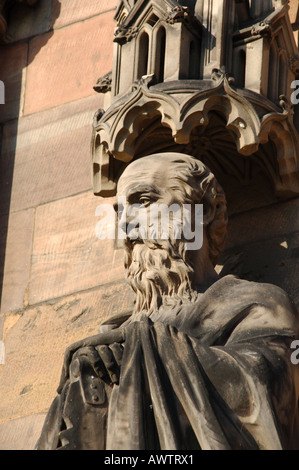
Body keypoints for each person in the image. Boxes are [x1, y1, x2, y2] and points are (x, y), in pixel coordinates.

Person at [36, 153, 299, 450]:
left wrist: (139, 349)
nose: (126, 227)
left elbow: (265, 391)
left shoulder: (255, 305)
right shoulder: (112, 333)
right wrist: (84, 380)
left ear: (206, 211)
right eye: (120, 212)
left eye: (144, 202)